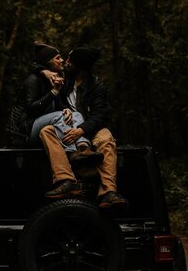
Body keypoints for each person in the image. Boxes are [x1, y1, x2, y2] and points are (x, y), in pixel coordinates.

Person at [39, 47, 127, 209]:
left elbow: (100, 115)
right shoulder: (64, 80)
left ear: (79, 65)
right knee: (46, 131)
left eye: (70, 60)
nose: (66, 62)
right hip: (67, 126)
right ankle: (66, 180)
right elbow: (36, 66)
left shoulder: (97, 87)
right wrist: (44, 73)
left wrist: (81, 130)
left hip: (92, 128)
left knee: (106, 139)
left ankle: (108, 192)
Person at [19, 43, 102, 194]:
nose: (62, 60)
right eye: (58, 58)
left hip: (48, 122)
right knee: (60, 117)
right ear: (48, 61)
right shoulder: (33, 79)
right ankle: (72, 153)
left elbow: (58, 103)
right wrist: (53, 92)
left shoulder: (57, 77)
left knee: (76, 114)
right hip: (30, 128)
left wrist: (65, 109)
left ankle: (84, 148)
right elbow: (31, 108)